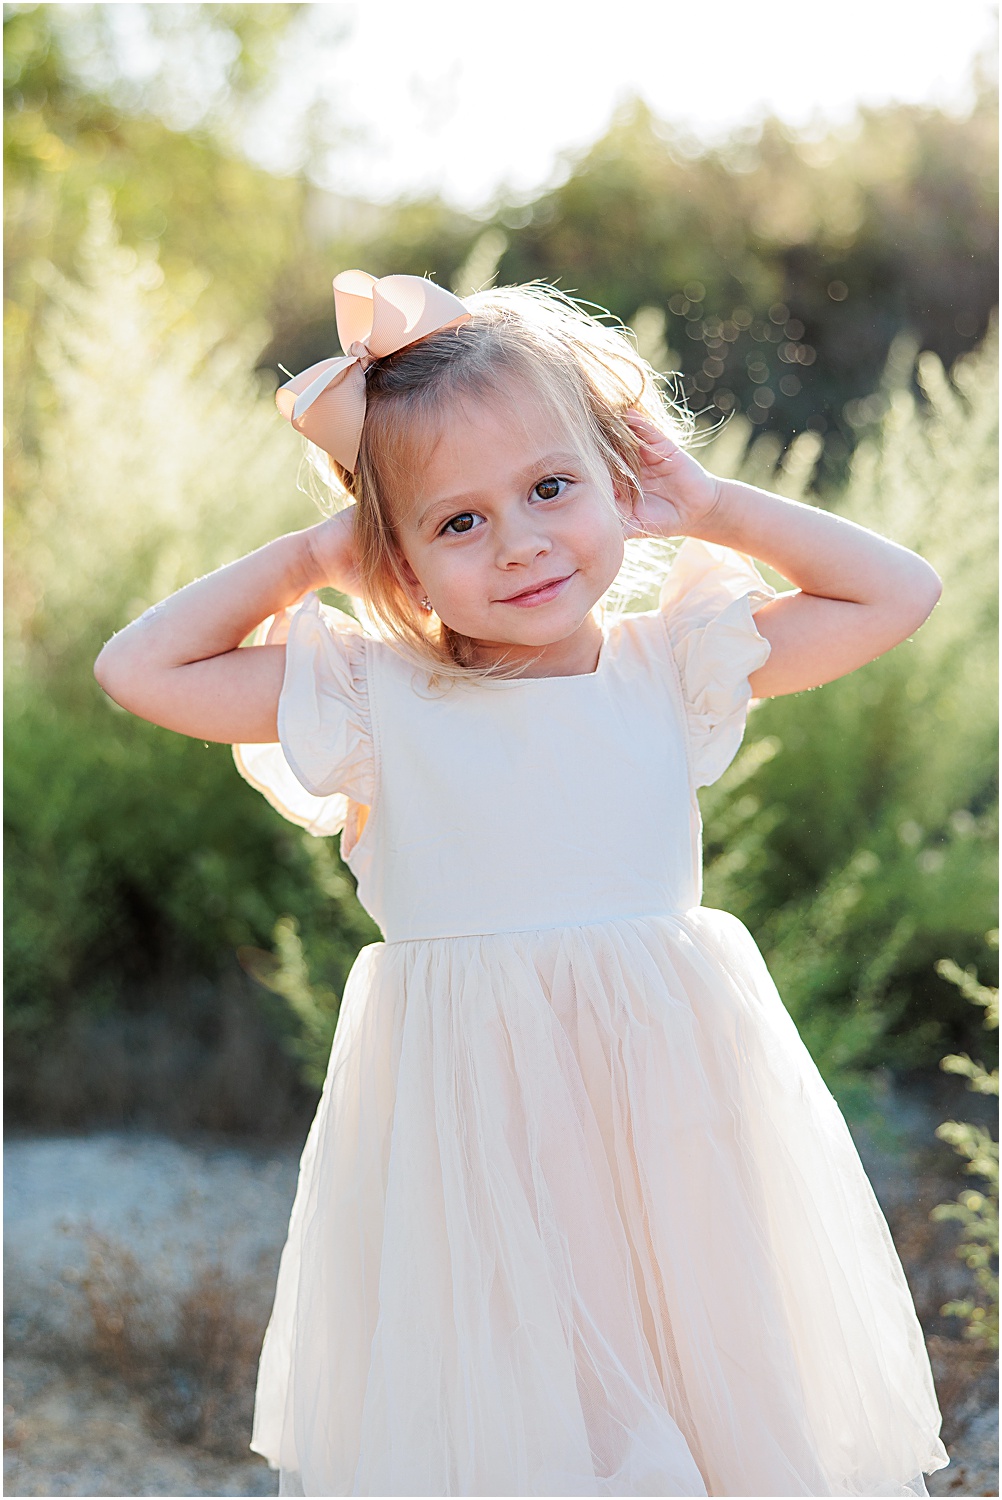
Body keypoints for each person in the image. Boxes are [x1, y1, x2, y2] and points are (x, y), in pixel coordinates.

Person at [95, 270, 951, 1498]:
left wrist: (707, 504)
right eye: (456, 522)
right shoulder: (371, 698)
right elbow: (141, 669)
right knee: (526, 1416)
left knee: (713, 1387)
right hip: (479, 1135)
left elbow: (898, 591)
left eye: (552, 487)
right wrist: (316, 554)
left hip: (674, 1116)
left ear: (619, 477)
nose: (522, 543)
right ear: (398, 556)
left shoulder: (675, 663)